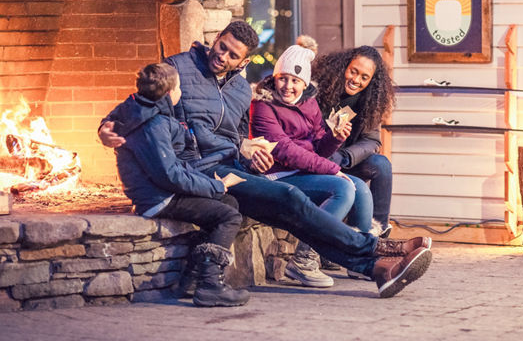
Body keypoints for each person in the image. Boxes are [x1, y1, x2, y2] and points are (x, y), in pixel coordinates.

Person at [99, 21, 431, 299]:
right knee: (289, 197)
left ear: (243, 62)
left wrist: (249, 152)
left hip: (229, 167)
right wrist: (106, 129)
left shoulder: (242, 91)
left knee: (290, 212)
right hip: (197, 172)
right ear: (215, 40)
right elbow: (136, 104)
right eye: (221, 46)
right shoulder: (178, 67)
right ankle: (375, 251)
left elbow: (238, 139)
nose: (222, 55)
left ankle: (376, 268)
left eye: (232, 54)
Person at [107, 62, 249, 307]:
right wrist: (214, 187)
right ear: (170, 93)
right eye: (180, 87)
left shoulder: (143, 111)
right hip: (157, 198)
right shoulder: (153, 125)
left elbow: (172, 167)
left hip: (161, 193)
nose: (181, 92)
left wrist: (209, 184)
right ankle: (209, 285)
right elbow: (168, 175)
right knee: (228, 217)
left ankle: (193, 277)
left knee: (229, 202)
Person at [250, 44, 374, 288]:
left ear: (304, 84)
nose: (288, 86)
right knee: (343, 188)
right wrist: (332, 170)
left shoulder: (310, 104)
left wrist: (335, 137)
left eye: (295, 80)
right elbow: (285, 151)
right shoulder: (263, 105)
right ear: (274, 79)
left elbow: (319, 149)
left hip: (302, 172)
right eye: (282, 78)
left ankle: (358, 258)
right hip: (277, 175)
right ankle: (304, 260)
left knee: (360, 188)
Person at [311, 46, 396, 237]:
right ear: (343, 66)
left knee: (381, 164)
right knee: (355, 185)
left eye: (364, 77)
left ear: (371, 81)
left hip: (345, 160)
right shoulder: (320, 90)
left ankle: (378, 232)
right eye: (353, 71)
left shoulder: (370, 101)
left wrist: (346, 157)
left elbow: (372, 141)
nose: (356, 80)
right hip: (318, 158)